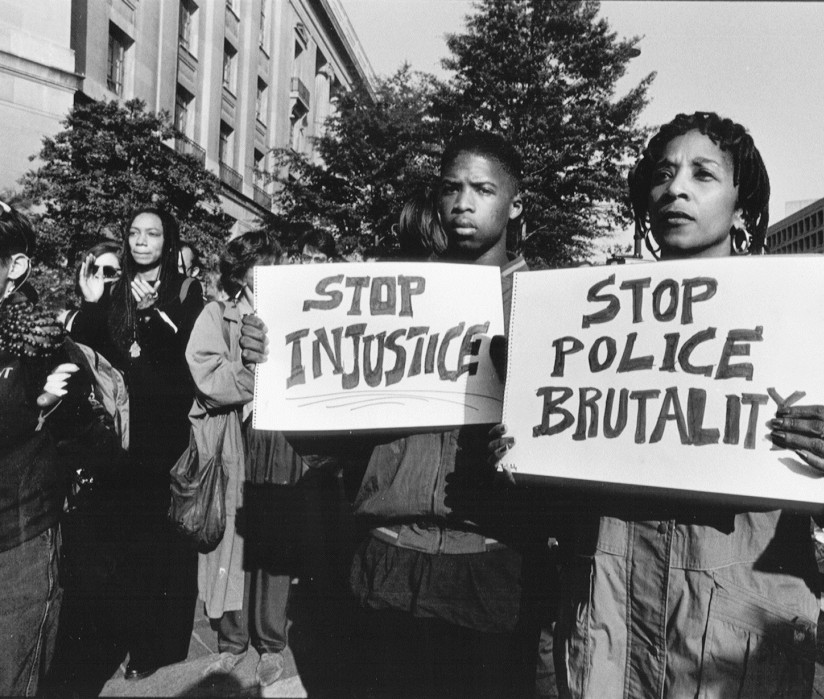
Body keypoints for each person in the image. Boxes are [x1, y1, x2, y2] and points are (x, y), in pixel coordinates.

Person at [490, 112, 824, 698]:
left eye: (703, 175)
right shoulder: (584, 321)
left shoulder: (799, 321)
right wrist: (523, 459)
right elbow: (561, 503)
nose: (675, 188)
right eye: (662, 174)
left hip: (733, 649)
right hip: (606, 633)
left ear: (743, 207)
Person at [239, 132, 540, 698]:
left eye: (482, 189)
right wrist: (276, 360)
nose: (463, 204)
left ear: (515, 203)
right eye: (452, 189)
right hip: (387, 554)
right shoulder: (395, 297)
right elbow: (330, 439)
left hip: (489, 562)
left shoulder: (548, 305)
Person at [69, 205, 205, 680]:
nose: (141, 241)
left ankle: (149, 650)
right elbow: (90, 351)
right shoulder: (114, 287)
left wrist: (155, 316)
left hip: (161, 438)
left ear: (168, 242)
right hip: (118, 437)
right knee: (118, 545)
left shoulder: (185, 291)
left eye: (153, 233)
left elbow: (186, 365)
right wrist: (91, 304)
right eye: (134, 233)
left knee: (153, 546)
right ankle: (115, 638)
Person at [0, 201, 121, 695]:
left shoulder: (39, 340)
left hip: (19, 536)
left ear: (16, 268)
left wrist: (43, 407)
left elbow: (90, 435)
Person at [186, 231, 302, 688]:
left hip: (281, 441)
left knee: (275, 541)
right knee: (229, 544)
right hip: (233, 440)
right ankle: (232, 644)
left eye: (276, 264)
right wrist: (254, 372)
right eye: (261, 267)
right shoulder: (217, 314)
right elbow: (207, 376)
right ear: (242, 275)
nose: (271, 274)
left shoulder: (296, 313)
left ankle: (272, 644)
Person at [62, 240, 122, 331]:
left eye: (108, 271)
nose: (99, 275)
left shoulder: (132, 323)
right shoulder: (67, 320)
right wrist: (91, 303)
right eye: (93, 270)